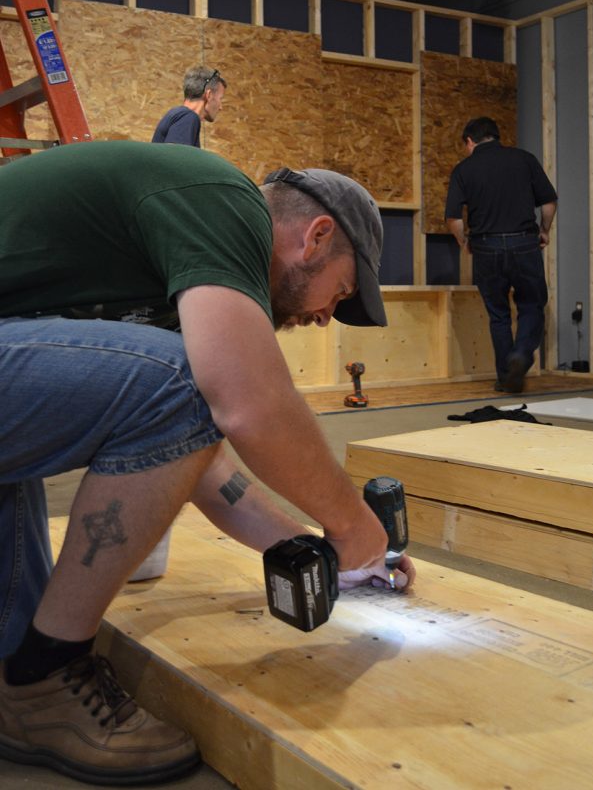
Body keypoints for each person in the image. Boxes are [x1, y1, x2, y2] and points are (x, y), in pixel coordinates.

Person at [0, 141, 415, 786]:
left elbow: (190, 455)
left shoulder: (173, 281)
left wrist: (304, 547)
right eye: (342, 291)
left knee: (177, 394)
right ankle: (44, 676)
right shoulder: (222, 200)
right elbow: (243, 406)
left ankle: (18, 673)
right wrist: (354, 525)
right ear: (317, 236)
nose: (325, 315)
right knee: (189, 384)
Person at [445, 116, 558, 393]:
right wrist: (544, 231)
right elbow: (548, 202)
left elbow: (453, 218)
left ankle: (506, 377)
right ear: (495, 136)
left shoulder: (464, 169)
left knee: (498, 315)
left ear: (469, 141)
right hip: (524, 243)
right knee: (531, 305)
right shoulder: (524, 159)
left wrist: (464, 242)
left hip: (486, 246)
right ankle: (521, 354)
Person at [151, 65, 226, 148]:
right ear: (209, 95)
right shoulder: (188, 117)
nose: (220, 107)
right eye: (220, 99)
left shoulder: (179, 114)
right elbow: (175, 158)